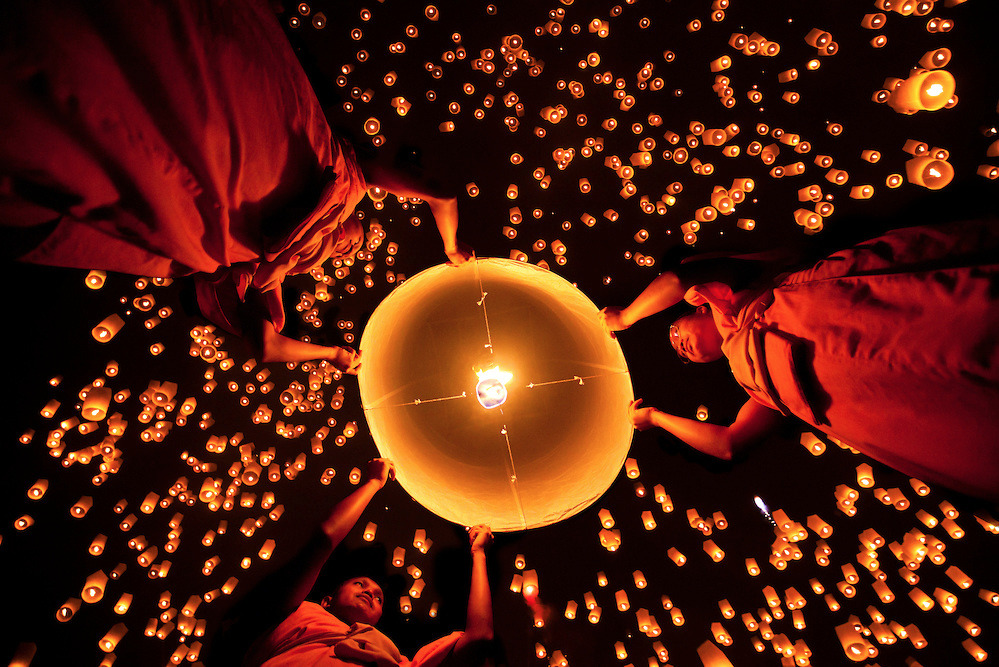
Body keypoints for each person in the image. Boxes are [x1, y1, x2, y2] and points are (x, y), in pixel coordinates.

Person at [0, 0, 473, 371]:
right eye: (363, 235)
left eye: (352, 254)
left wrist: (330, 354)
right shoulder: (349, 173)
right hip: (263, 134)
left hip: (205, 220)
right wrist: (451, 246)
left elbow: (265, 346)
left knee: (84, 149)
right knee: (154, 60)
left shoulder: (272, 272)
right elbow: (441, 193)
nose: (356, 247)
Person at [601, 218, 999, 500]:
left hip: (832, 319)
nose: (678, 345)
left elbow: (675, 280)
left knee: (956, 330)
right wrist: (654, 418)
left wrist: (627, 316)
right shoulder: (756, 385)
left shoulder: (738, 293)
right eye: (679, 354)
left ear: (698, 308)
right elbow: (728, 445)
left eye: (675, 332)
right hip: (856, 401)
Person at [210, 458, 497, 667]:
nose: (371, 592)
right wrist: (374, 483)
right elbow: (324, 537)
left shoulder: (396, 660)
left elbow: (480, 638)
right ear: (326, 600)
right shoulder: (292, 616)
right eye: (360, 584)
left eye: (379, 596)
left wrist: (479, 555)